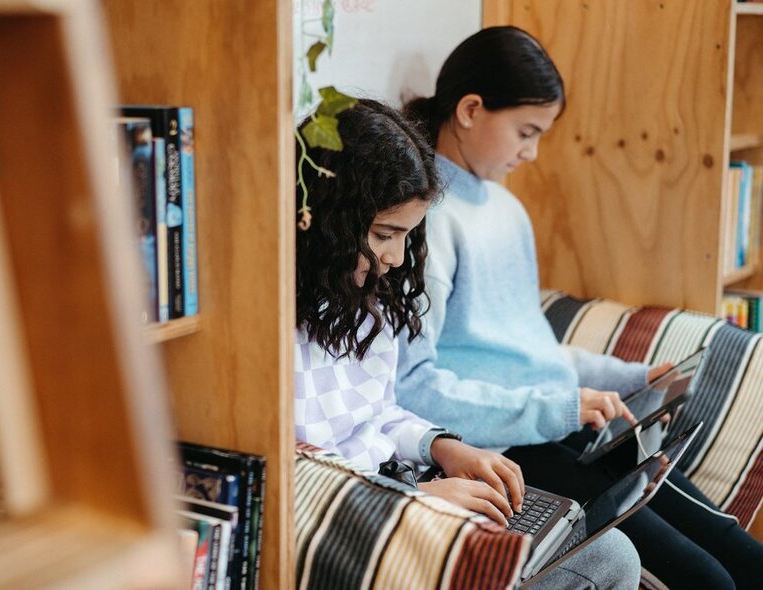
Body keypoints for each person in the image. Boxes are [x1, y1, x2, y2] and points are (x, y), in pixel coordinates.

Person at [397, 25, 763, 589]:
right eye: (526, 131)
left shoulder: (506, 209)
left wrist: (636, 378)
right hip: (506, 449)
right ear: (470, 109)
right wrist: (561, 410)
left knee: (741, 552)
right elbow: (413, 387)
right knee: (707, 579)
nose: (532, 152)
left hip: (563, 428)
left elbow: (533, 352)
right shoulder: (424, 221)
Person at [295, 97, 640, 589]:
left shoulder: (362, 308)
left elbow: (380, 413)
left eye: (405, 237)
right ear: (329, 219)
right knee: (604, 560)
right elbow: (305, 476)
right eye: (383, 234)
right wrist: (417, 496)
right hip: (363, 523)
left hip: (404, 488)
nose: (395, 257)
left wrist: (442, 445)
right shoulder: (275, 334)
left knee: (605, 548)